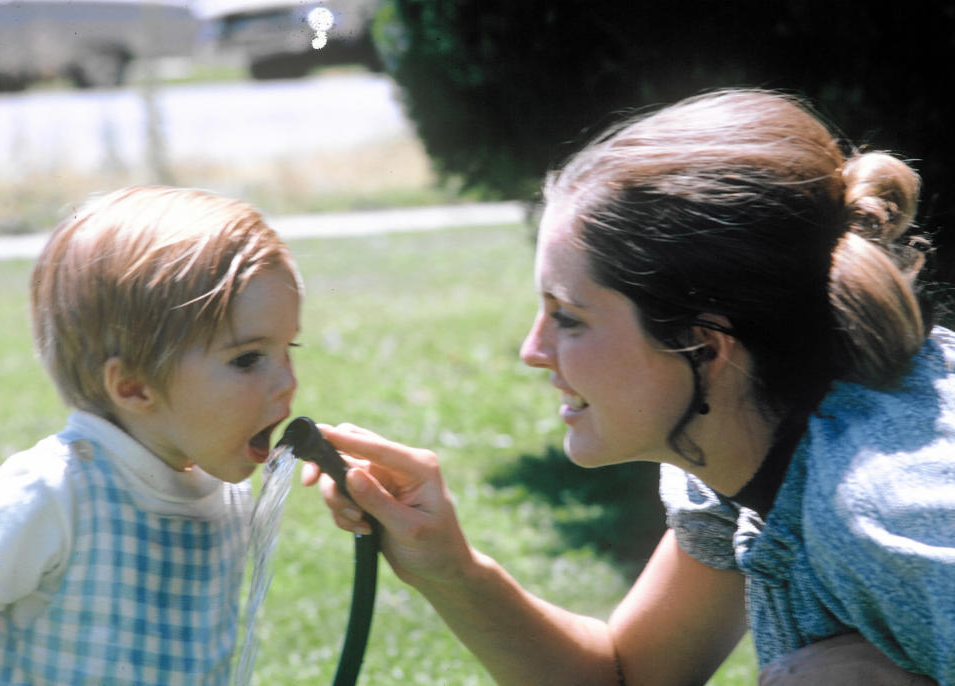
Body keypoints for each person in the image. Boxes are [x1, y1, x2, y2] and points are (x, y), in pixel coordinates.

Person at [306, 88, 954, 685]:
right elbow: (628, 676)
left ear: (702, 347)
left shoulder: (893, 517)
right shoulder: (747, 448)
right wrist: (447, 566)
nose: (534, 352)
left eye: (569, 318)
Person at [0, 186, 302, 684]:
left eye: (289, 348)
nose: (288, 381)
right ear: (134, 386)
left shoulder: (227, 495)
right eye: (248, 359)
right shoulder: (56, 491)